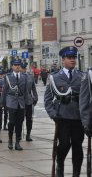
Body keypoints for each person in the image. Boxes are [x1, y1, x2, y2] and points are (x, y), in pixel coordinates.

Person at [44, 46, 84, 177]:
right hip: (63, 117)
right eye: (70, 58)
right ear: (63, 60)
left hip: (78, 117)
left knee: (77, 147)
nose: (73, 60)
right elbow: (48, 99)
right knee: (64, 145)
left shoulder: (82, 77)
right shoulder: (55, 77)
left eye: (74, 58)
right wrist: (53, 114)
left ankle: (76, 173)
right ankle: (60, 164)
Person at [1, 59, 27, 151]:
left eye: (18, 65)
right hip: (11, 101)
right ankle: (10, 139)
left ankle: (17, 142)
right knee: (12, 122)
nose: (17, 66)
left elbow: (26, 92)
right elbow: (4, 91)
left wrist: (27, 103)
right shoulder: (7, 77)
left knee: (19, 123)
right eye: (15, 65)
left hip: (21, 102)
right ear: (12, 66)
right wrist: (2, 102)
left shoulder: (24, 77)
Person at [20, 62, 38, 141]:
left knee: (29, 119)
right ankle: (18, 134)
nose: (23, 70)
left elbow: (34, 89)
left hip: (29, 101)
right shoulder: (17, 77)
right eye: (22, 68)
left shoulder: (30, 77)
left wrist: (35, 98)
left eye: (24, 68)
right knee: (20, 119)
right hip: (19, 101)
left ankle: (28, 134)